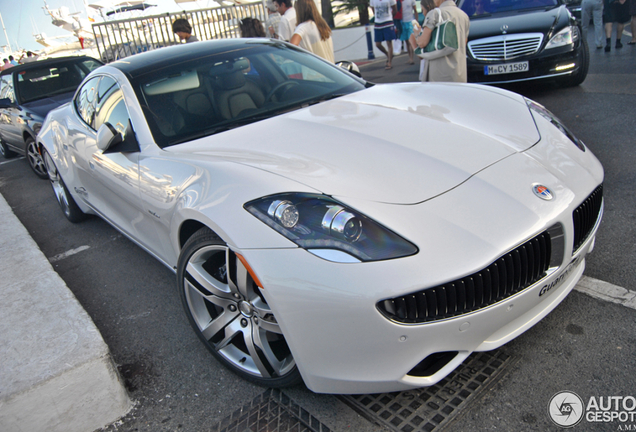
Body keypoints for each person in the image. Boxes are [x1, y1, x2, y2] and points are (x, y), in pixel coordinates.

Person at [410, 0, 470, 82]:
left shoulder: (435, 14)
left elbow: (422, 43)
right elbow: (464, 42)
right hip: (459, 74)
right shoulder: (464, 15)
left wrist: (416, 34)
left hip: (439, 74)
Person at [370, 0, 398, 69]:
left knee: (389, 43)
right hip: (378, 23)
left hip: (388, 22)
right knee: (378, 44)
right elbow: (373, 10)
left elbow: (395, 9)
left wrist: (390, 17)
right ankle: (388, 54)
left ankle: (389, 63)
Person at [400, 0, 418, 64]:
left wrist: (416, 21)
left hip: (410, 21)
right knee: (406, 41)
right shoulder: (399, 1)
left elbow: (415, 10)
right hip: (402, 22)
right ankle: (410, 57)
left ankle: (411, 58)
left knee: (410, 41)